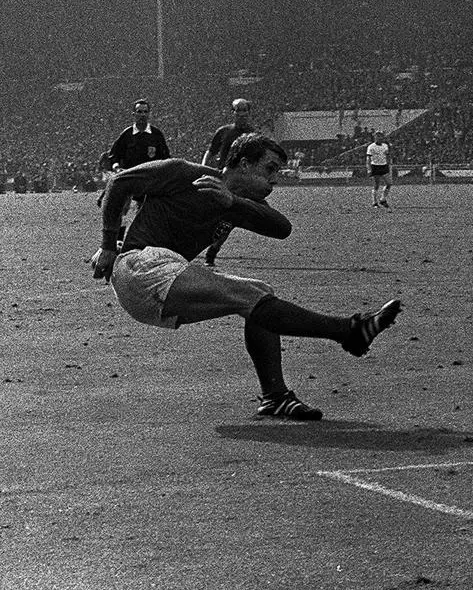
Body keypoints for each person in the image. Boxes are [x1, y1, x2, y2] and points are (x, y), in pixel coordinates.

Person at [91, 132, 402, 421]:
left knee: (259, 293)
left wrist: (233, 203)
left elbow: (282, 228)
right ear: (243, 163)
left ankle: (275, 396)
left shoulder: (236, 203)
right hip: (140, 265)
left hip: (162, 282)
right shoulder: (185, 173)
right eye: (269, 169)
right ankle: (348, 330)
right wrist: (108, 245)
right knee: (251, 297)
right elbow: (119, 183)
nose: (274, 179)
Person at [200, 98, 257, 266]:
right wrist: (203, 168)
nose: (241, 114)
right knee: (211, 217)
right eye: (237, 110)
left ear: (249, 112)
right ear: (232, 113)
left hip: (241, 184)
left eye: (244, 110)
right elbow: (210, 152)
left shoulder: (253, 136)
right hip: (222, 179)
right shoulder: (224, 132)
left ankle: (212, 252)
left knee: (229, 220)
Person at [106, 99, 171, 245]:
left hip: (148, 181)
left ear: (149, 114)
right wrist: (116, 167)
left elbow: (166, 158)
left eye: (145, 112)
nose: (142, 115)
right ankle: (118, 241)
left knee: (145, 213)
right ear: (133, 114)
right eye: (139, 112)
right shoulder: (127, 135)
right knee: (121, 210)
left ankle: (142, 242)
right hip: (129, 179)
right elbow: (113, 155)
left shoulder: (156, 135)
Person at [366, 131, 393, 208]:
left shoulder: (385, 146)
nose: (380, 138)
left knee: (389, 183)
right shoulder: (371, 147)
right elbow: (368, 159)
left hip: (384, 166)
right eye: (378, 136)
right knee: (376, 185)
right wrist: (369, 169)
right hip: (375, 166)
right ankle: (374, 202)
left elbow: (387, 155)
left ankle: (382, 199)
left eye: (381, 136)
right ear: (375, 137)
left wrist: (389, 163)